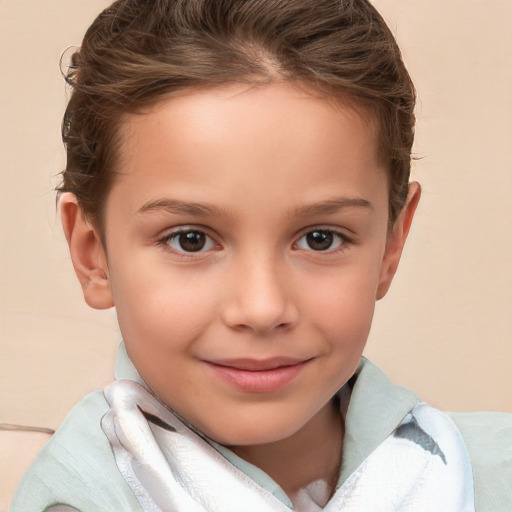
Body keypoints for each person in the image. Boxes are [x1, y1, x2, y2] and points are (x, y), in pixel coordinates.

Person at [10, 0, 511, 510]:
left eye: (321, 238)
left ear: (391, 244)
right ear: (94, 255)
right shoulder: (78, 498)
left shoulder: (494, 471)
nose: (262, 307)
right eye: (191, 239)